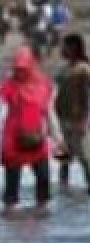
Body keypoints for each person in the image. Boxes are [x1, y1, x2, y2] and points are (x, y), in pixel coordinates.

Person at [0, 47, 56, 213]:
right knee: (12, 179)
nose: (19, 73)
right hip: (13, 138)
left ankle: (42, 210)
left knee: (43, 178)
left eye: (23, 69)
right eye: (17, 69)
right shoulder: (9, 85)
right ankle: (10, 211)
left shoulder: (44, 85)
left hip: (38, 136)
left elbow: (49, 113)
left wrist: (57, 138)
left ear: (31, 67)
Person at [54, 32, 90, 191]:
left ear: (74, 48)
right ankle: (64, 189)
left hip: (79, 118)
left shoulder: (84, 69)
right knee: (64, 157)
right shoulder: (64, 68)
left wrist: (86, 119)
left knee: (84, 156)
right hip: (63, 117)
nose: (62, 49)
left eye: (65, 46)